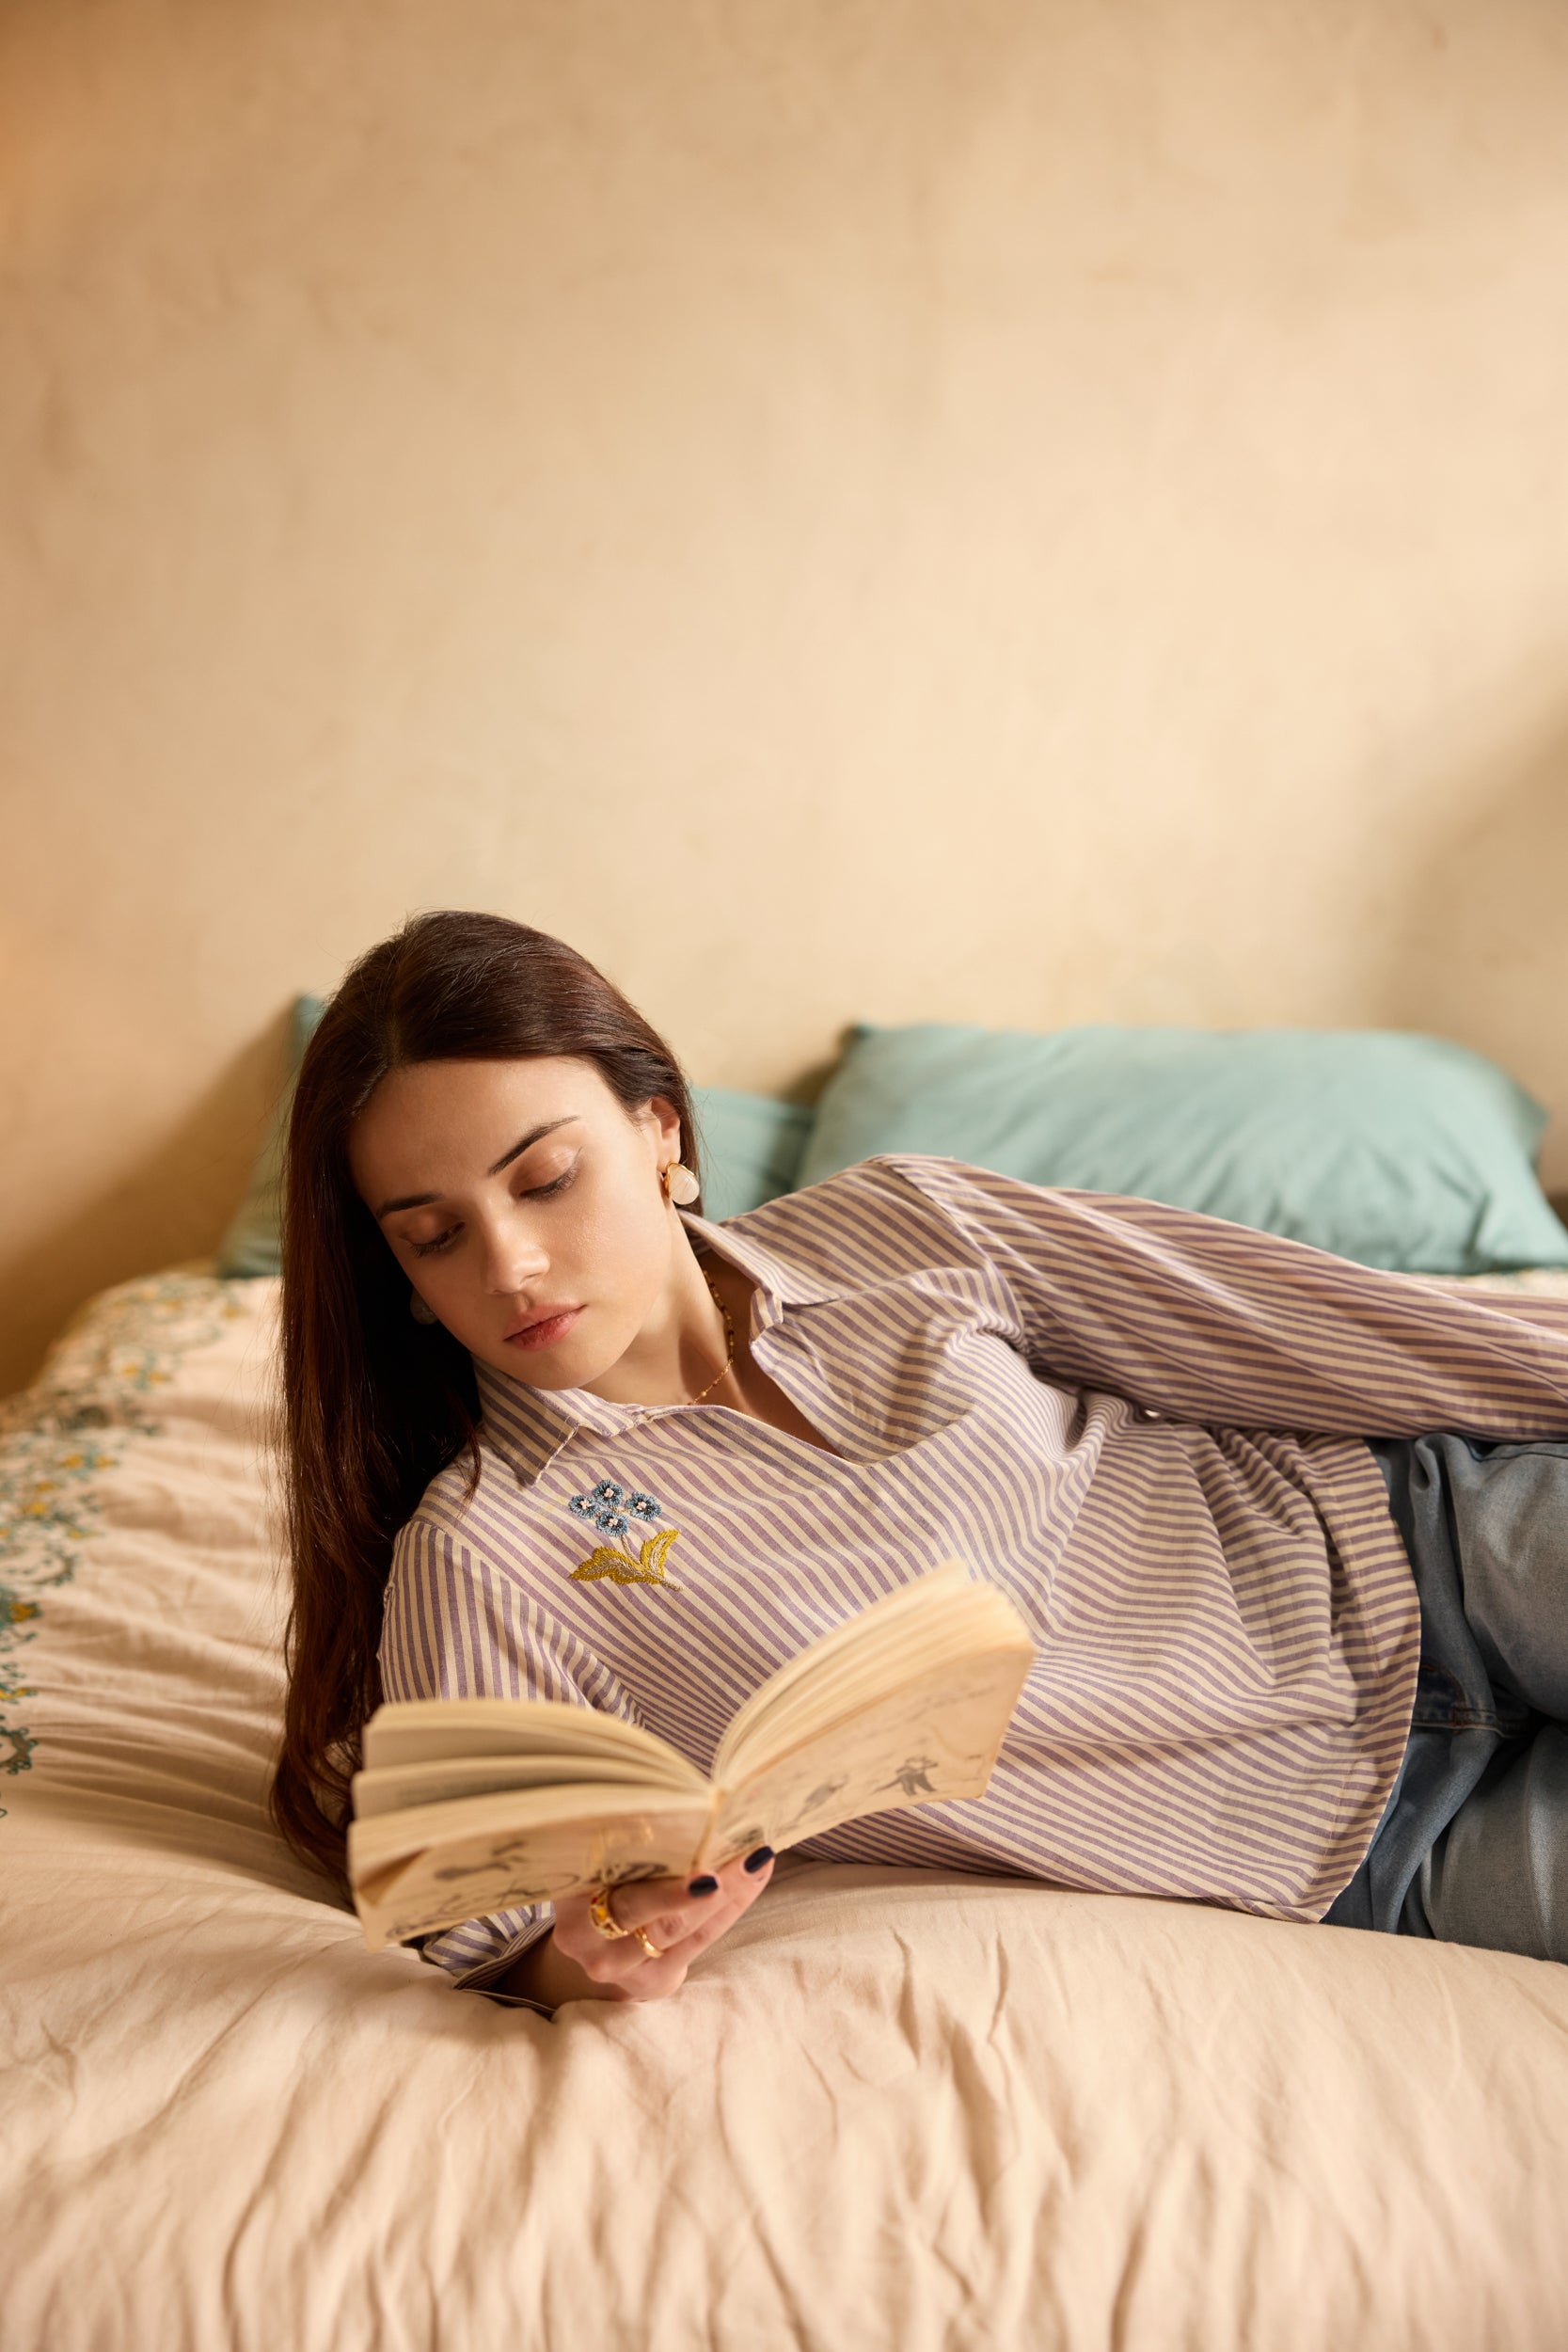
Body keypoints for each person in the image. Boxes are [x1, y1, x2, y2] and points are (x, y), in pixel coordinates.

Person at [271, 909, 1568, 2013]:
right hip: (1357, 1851)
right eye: (435, 1235)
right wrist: (590, 1959)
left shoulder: (905, 1222)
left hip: (1431, 1556)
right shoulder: (492, 1549)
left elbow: (1290, 1330)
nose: (510, 1267)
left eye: (546, 1178)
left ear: (661, 1131)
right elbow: (484, 1931)